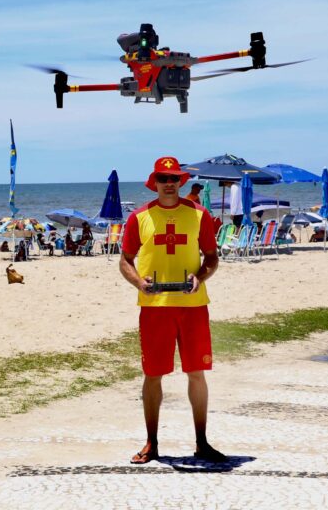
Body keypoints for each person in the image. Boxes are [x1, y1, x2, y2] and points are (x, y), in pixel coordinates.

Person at [119, 156, 225, 465]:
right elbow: (125, 259)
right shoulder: (140, 217)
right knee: (153, 375)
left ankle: (202, 442)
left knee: (197, 373)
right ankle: (151, 443)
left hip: (193, 307)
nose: (169, 184)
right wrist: (139, 282)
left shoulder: (199, 215)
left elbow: (212, 257)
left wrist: (200, 277)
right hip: (155, 308)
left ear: (180, 182)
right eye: (163, 179)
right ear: (155, 182)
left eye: (174, 179)